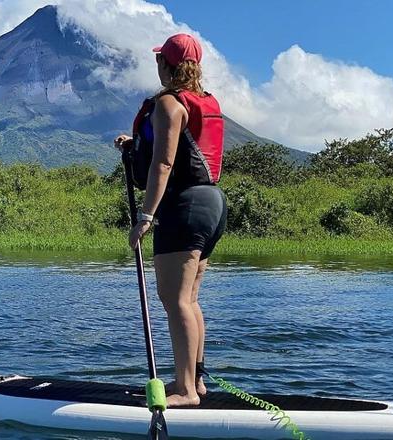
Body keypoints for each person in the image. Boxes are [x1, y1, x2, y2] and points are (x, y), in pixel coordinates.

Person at [114, 34, 227, 407]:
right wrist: (134, 146)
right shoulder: (205, 102)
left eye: (160, 59)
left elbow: (163, 164)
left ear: (167, 65)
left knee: (174, 299)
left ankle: (185, 390)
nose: (157, 64)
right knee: (189, 299)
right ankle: (196, 381)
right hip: (212, 204)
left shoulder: (167, 103)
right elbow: (177, 151)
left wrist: (145, 216)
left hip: (183, 207)